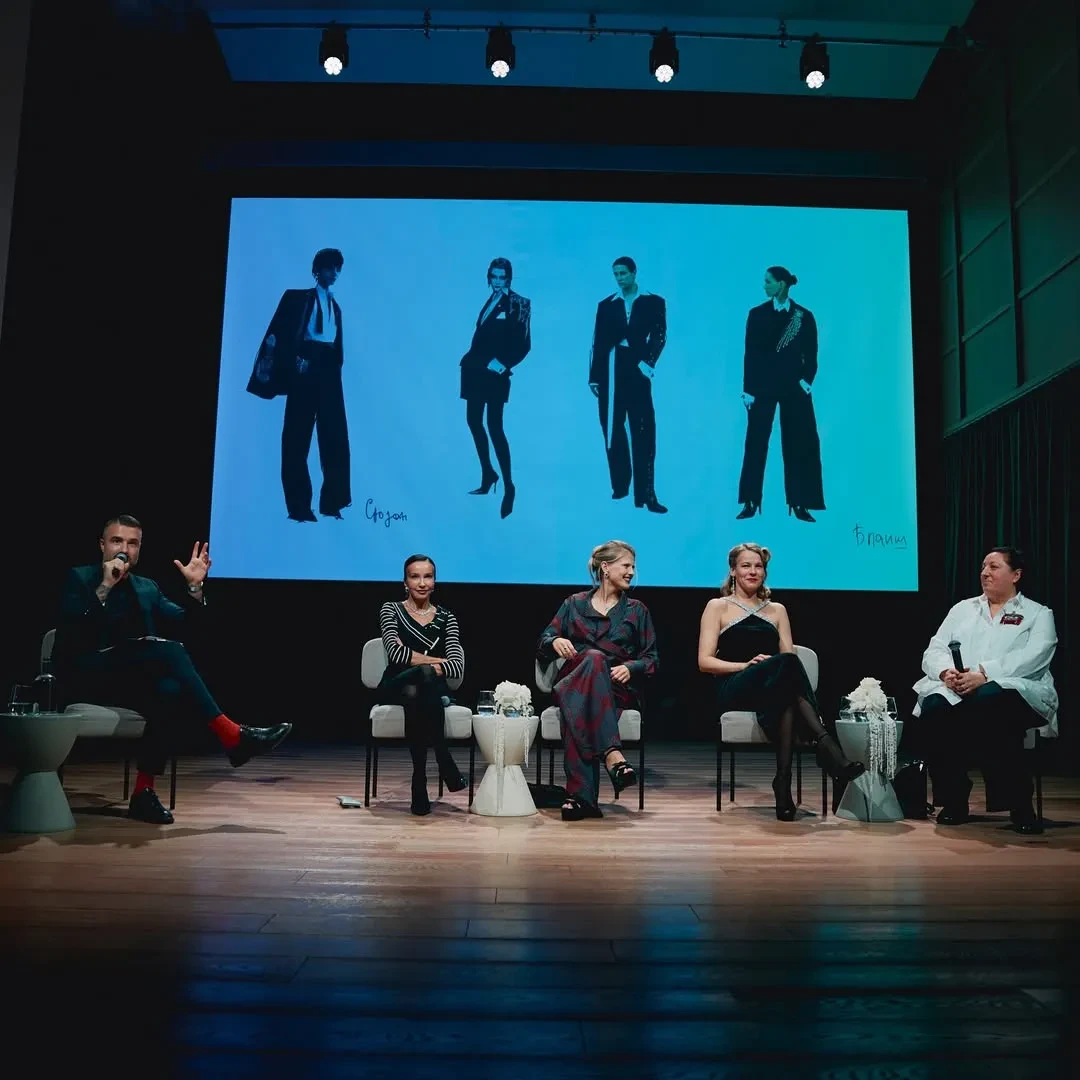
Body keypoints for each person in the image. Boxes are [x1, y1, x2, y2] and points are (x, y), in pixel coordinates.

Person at [52, 515, 293, 824]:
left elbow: (189, 628)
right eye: (116, 541)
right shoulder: (80, 578)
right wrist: (104, 586)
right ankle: (231, 734)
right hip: (86, 675)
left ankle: (143, 793)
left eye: (132, 543)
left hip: (126, 683)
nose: (124, 549)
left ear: (139, 550)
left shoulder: (147, 588)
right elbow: (71, 632)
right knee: (166, 651)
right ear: (102, 545)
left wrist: (194, 588)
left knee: (169, 689)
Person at [697, 542, 863, 820]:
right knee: (786, 670)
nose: (753, 571)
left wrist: (771, 667)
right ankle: (825, 745)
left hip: (771, 688)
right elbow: (704, 662)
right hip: (734, 685)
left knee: (787, 682)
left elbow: (789, 660)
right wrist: (745, 665)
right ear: (733, 571)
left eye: (758, 566)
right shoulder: (718, 606)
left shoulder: (777, 610)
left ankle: (783, 784)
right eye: (746, 566)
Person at [913, 546, 1057, 835]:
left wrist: (984, 674)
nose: (984, 573)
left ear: (1016, 575)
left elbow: (1035, 657)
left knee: (991, 702)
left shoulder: (1038, 614)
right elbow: (935, 649)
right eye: (983, 567)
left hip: (1017, 689)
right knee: (934, 708)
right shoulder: (962, 609)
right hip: (961, 688)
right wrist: (946, 673)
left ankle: (1017, 802)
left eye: (993, 567)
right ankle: (954, 798)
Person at [537, 540, 657, 820]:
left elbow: (652, 658)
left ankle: (580, 798)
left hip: (614, 688)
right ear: (605, 567)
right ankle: (612, 755)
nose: (631, 572)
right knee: (592, 659)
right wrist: (555, 642)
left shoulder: (637, 610)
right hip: (573, 680)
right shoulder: (574, 604)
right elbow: (543, 640)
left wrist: (632, 667)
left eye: (633, 567)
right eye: (626, 565)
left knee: (582, 692)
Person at [247, 247, 351, 522]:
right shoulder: (297, 298)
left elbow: (336, 345)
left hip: (329, 371)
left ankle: (332, 502)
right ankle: (299, 507)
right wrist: (296, 361)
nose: (335, 273)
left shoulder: (336, 307)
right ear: (317, 270)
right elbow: (280, 334)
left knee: (335, 436)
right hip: (305, 368)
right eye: (330, 267)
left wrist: (333, 368)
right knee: (296, 437)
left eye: (338, 268)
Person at [377, 554, 468, 816]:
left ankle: (419, 780)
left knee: (418, 689)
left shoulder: (447, 618)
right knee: (423, 676)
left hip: (422, 691)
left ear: (435, 581)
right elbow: (396, 654)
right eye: (414, 577)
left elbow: (457, 666)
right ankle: (443, 758)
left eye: (427, 576)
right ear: (405, 582)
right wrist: (437, 661)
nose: (421, 583)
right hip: (395, 684)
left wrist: (419, 661)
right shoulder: (391, 610)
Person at [736, 266, 824, 522]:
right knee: (755, 443)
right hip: (762, 387)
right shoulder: (756, 314)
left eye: (769, 281)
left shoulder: (803, 316)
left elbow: (812, 353)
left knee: (799, 443)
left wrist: (806, 382)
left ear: (782, 284)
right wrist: (748, 389)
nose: (764, 286)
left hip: (794, 387)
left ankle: (800, 502)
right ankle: (751, 501)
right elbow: (750, 355)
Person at [589, 257, 667, 514]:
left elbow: (659, 335)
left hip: (637, 369)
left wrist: (648, 363)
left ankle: (647, 495)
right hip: (611, 369)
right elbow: (598, 342)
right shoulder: (606, 305)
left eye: (623, 273)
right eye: (616, 274)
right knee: (612, 428)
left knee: (643, 430)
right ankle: (621, 486)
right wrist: (594, 376)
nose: (620, 278)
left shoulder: (653, 301)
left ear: (634, 273)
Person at [459, 257, 532, 520]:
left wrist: (502, 364)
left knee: (495, 427)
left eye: (502, 277)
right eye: (494, 276)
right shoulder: (490, 300)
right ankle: (488, 473)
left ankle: (509, 486)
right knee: (473, 421)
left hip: (494, 374)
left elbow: (524, 343)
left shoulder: (519, 303)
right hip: (474, 370)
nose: (498, 282)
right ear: (489, 277)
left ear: (509, 278)